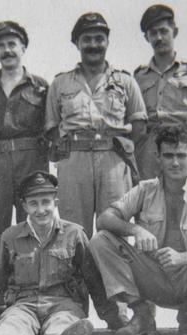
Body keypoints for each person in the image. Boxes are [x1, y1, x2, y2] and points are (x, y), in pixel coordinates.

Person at [0, 171, 125, 335]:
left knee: (63, 326)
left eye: (46, 202)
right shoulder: (10, 236)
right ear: (24, 206)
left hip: (64, 303)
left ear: (55, 203)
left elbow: (93, 279)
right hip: (24, 304)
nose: (41, 210)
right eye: (33, 204)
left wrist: (113, 317)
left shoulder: (74, 233)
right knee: (12, 324)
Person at [89, 125, 187, 335]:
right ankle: (142, 314)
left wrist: (184, 257)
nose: (175, 162)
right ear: (158, 157)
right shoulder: (145, 189)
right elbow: (105, 218)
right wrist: (136, 230)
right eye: (168, 156)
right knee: (101, 241)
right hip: (151, 276)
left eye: (181, 155)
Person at [46, 12, 147, 236]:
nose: (94, 45)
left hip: (113, 160)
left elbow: (139, 126)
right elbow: (52, 128)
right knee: (73, 231)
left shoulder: (125, 81)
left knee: (114, 228)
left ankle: (112, 272)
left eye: (99, 38)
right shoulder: (60, 83)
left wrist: (121, 150)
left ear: (107, 42)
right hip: (74, 161)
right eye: (87, 39)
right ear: (77, 43)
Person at [0, 21, 49, 279]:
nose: (7, 50)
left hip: (31, 161)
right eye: (1, 45)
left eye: (12, 44)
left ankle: (35, 290)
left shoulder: (40, 86)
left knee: (34, 225)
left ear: (23, 47)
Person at [133, 4, 187, 182]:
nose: (159, 37)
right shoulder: (139, 76)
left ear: (175, 31)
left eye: (164, 31)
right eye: (153, 33)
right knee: (149, 204)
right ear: (146, 37)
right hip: (150, 151)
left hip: (183, 145)